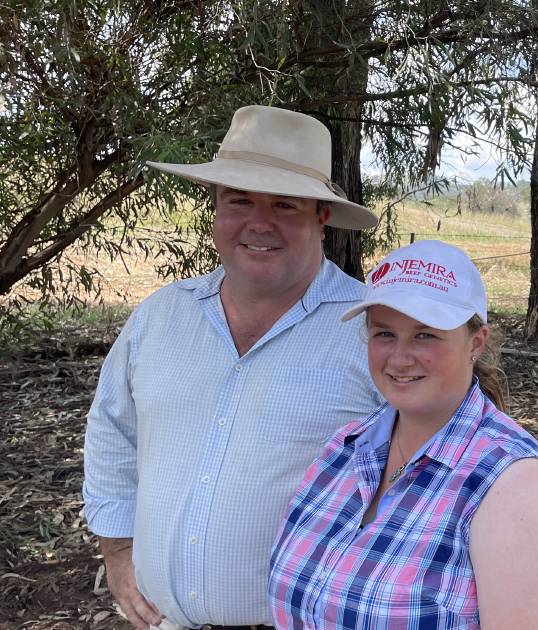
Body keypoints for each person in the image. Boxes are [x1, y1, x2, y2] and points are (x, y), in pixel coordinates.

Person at [83, 105, 383, 629]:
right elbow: (113, 430)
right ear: (216, 208)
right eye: (239, 200)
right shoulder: (161, 316)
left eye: (285, 205)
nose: (258, 223)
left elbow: (426, 485)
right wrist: (117, 549)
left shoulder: (371, 332)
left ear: (322, 217)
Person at [268, 240, 538, 629]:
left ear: (475, 343)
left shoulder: (514, 484)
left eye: (425, 335)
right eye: (384, 334)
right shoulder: (343, 450)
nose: (399, 358)